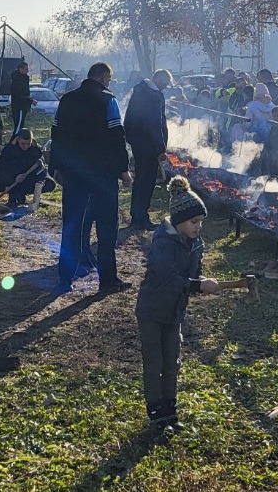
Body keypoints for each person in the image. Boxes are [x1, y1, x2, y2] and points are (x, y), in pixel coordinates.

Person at [136, 176, 222, 431]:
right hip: (152, 311)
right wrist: (196, 285)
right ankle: (156, 410)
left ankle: (170, 410)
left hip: (174, 312)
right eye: (194, 222)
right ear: (179, 221)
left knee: (172, 360)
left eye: (200, 223)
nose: (198, 227)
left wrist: (201, 281)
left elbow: (195, 273)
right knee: (155, 361)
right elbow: (168, 279)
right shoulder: (163, 243)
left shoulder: (196, 243)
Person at [50, 62, 131, 294]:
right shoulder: (108, 100)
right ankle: (108, 280)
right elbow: (117, 136)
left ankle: (65, 279)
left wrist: (56, 166)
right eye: (110, 79)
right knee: (106, 229)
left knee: (73, 225)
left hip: (74, 174)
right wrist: (123, 169)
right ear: (104, 77)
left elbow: (56, 134)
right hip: (102, 175)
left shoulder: (66, 99)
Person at [124, 70, 171, 229]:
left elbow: (128, 119)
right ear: (157, 79)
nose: (165, 87)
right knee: (147, 181)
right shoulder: (154, 95)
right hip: (149, 145)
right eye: (164, 83)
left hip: (138, 143)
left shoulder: (139, 91)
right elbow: (155, 124)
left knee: (140, 180)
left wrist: (131, 139)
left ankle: (136, 215)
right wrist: (161, 149)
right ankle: (141, 217)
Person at [0, 129, 48, 209]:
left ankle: (22, 195)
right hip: (11, 180)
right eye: (23, 144)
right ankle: (13, 196)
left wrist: (40, 178)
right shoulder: (9, 150)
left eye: (28, 144)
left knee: (50, 183)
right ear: (18, 140)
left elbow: (42, 169)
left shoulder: (35, 150)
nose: (26, 146)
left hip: (27, 179)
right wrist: (13, 177)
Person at [9, 61, 33, 136]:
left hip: (22, 106)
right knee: (18, 127)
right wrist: (30, 100)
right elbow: (19, 95)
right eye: (26, 69)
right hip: (19, 107)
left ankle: (17, 142)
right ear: (20, 69)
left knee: (20, 125)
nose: (27, 71)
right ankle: (13, 143)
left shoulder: (23, 79)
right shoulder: (17, 80)